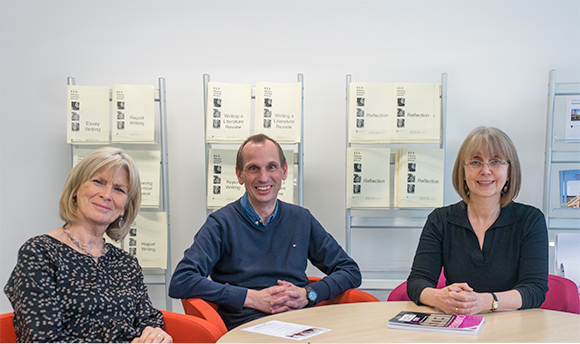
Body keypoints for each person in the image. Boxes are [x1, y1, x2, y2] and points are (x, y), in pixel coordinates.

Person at [169, 134, 361, 330]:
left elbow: (350, 271)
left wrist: (308, 294)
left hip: (303, 323)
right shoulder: (221, 223)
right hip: (247, 328)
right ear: (239, 175)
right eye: (253, 168)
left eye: (271, 167)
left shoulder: (301, 219)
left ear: (284, 171)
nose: (263, 178)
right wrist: (251, 298)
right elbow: (181, 280)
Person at [4, 147, 172, 343]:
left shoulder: (127, 263)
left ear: (125, 207)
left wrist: (157, 336)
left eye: (119, 189)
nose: (107, 194)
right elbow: (42, 338)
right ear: (76, 189)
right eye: (98, 182)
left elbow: (148, 320)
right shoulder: (40, 252)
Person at [407, 126, 548, 315]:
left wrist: (486, 302)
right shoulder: (440, 220)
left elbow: (535, 290)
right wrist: (440, 298)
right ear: (463, 171)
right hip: (458, 325)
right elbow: (417, 282)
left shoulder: (530, 220)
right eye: (475, 162)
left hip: (513, 327)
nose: (486, 170)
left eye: (496, 161)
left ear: (509, 171)